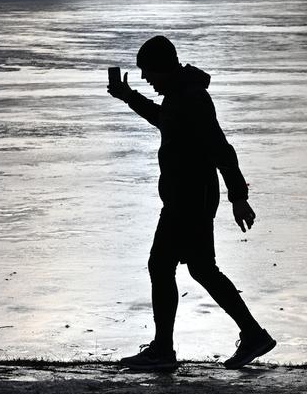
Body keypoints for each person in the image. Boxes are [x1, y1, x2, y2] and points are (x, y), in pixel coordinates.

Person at [107, 34, 275, 371]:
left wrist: (239, 197)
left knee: (164, 265)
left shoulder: (192, 98)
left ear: (164, 67)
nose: (145, 78)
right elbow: (163, 120)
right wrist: (129, 97)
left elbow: (221, 149)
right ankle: (251, 335)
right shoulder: (178, 96)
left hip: (190, 200)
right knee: (199, 269)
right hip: (187, 198)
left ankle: (164, 351)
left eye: (148, 71)